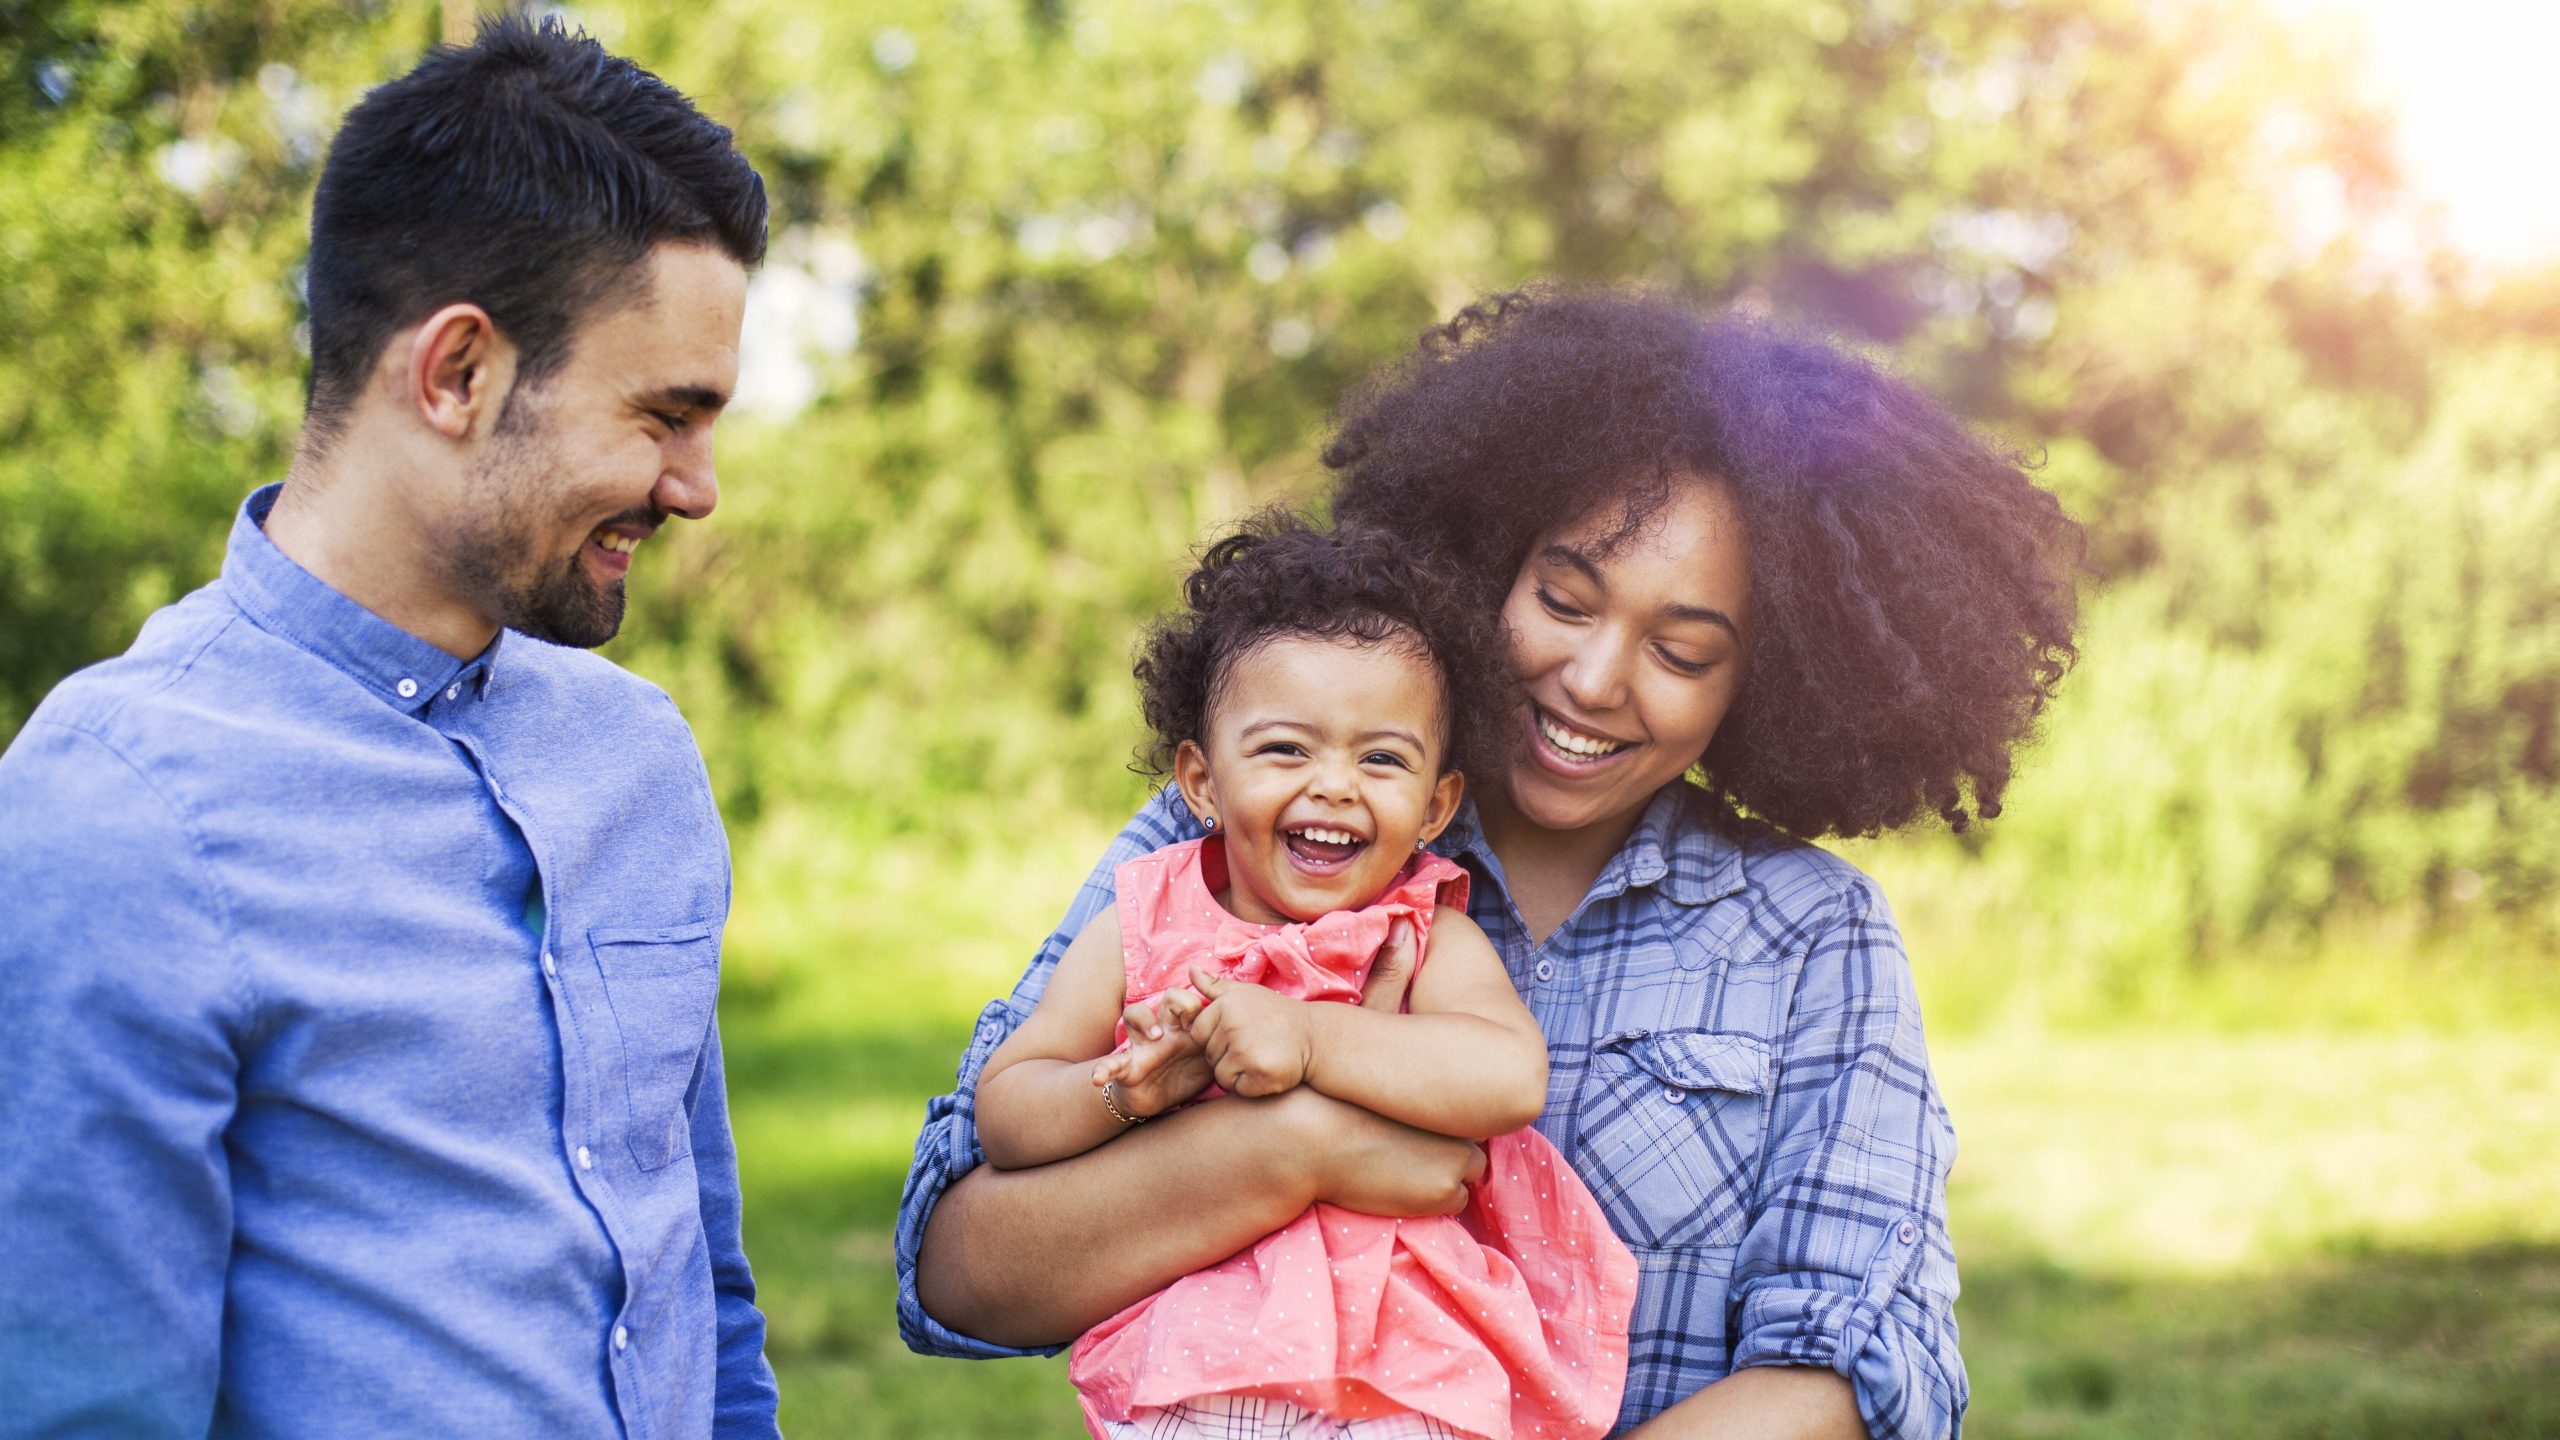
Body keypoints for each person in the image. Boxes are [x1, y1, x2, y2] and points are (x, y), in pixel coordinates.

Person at [898, 286, 2084, 1440]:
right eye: (1563, 599)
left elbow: (1863, 1371)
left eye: (1680, 650)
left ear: (1760, 685)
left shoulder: (1807, 935)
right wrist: (1287, 1148)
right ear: (1487, 563)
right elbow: (954, 1271)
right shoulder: (1231, 842)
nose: (1594, 678)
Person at [0, 19, 777, 1437]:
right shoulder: (116, 813)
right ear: (458, 375)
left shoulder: (638, 759)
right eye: (665, 416)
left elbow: (703, 1300)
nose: (696, 489)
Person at [975, 516, 1638, 1439]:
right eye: (1287, 749)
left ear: (1437, 804)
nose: (1334, 785)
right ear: (1201, 783)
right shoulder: (1144, 921)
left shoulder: (1420, 932)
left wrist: (1311, 1037)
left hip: (1402, 1374)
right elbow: (1005, 1113)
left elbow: (1508, 1077)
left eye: (1381, 758)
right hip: (1195, 1378)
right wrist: (1127, 1089)